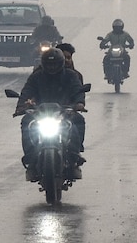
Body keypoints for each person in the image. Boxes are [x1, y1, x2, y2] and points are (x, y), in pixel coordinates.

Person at [14, 48, 88, 180]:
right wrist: (21, 106)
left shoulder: (71, 75)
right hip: (41, 113)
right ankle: (31, 159)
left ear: (61, 63)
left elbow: (78, 90)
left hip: (64, 112)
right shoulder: (36, 76)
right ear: (43, 64)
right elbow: (27, 91)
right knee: (26, 122)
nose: (52, 67)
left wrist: (79, 103)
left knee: (78, 121)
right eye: (49, 64)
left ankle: (74, 157)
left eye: (55, 64)